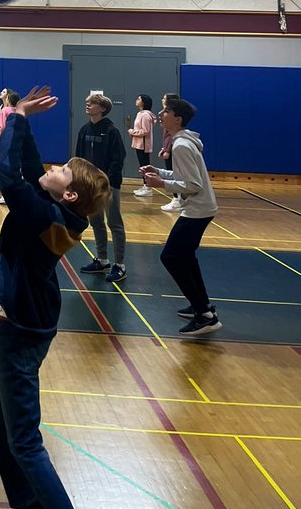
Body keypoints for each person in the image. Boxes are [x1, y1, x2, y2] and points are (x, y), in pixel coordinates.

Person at [0, 85, 116, 509]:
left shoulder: (44, 214)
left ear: (67, 195)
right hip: (27, 319)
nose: (54, 165)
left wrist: (14, 119)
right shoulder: (61, 208)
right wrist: (20, 114)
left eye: (63, 168)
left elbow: (8, 174)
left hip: (22, 329)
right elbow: (36, 168)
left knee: (25, 440)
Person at [140, 95, 221, 337]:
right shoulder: (183, 141)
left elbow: (192, 184)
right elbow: (183, 174)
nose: (160, 115)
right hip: (201, 208)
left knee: (171, 257)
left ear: (177, 118)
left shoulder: (182, 145)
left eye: (165, 112)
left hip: (197, 210)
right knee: (185, 256)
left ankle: (205, 316)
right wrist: (159, 172)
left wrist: (160, 183)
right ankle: (203, 305)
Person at [76, 92, 128, 284]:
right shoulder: (84, 130)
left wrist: (107, 180)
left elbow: (118, 158)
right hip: (89, 185)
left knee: (114, 223)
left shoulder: (111, 131)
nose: (88, 105)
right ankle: (102, 260)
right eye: (87, 102)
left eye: (92, 103)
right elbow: (79, 158)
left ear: (103, 108)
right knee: (95, 222)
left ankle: (120, 265)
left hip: (108, 185)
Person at [127, 94, 155, 192]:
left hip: (143, 145)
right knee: (142, 165)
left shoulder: (146, 115)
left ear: (143, 102)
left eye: (138, 99)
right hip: (138, 144)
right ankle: (145, 185)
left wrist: (132, 132)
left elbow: (145, 131)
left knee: (145, 165)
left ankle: (148, 187)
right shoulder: (140, 113)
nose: (136, 100)